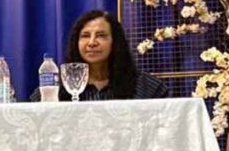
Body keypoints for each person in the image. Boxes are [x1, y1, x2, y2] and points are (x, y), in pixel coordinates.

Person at [36, 10, 167, 101]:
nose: (92, 43)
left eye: (101, 36)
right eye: (85, 36)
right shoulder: (57, 87)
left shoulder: (146, 87)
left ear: (115, 42)